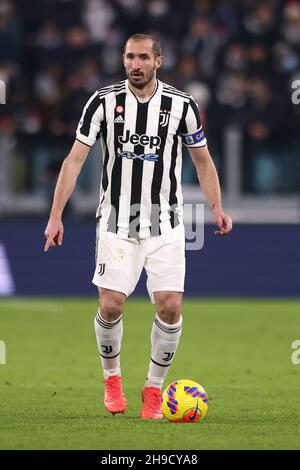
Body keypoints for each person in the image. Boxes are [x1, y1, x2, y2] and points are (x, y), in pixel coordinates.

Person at [44, 33, 232, 419]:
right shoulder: (102, 101)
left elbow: (203, 161)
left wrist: (217, 208)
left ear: (158, 61)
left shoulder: (182, 106)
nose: (136, 64)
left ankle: (152, 389)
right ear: (123, 58)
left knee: (170, 307)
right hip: (116, 221)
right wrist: (55, 214)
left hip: (166, 224)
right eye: (130, 56)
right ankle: (111, 380)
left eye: (144, 57)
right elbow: (74, 160)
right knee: (111, 305)